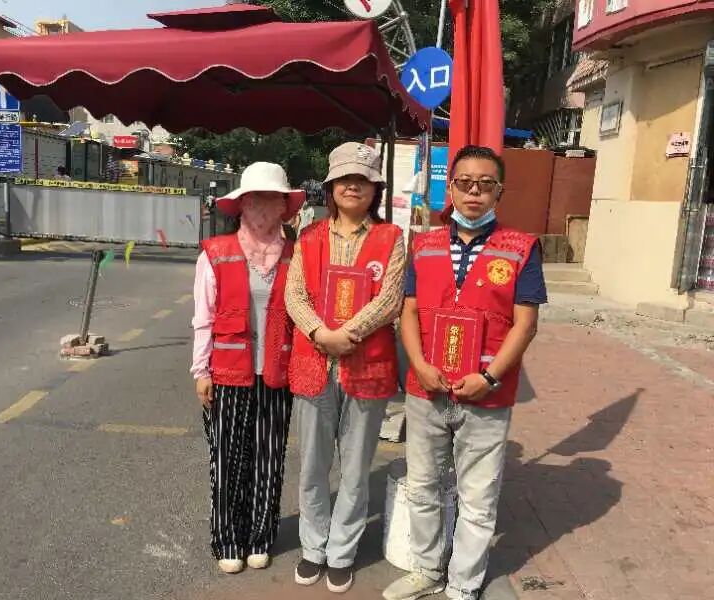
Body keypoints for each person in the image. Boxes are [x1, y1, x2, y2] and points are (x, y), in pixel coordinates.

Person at [383, 145, 547, 600]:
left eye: (485, 184)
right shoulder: (424, 245)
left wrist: (489, 377)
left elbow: (526, 324)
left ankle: (464, 582)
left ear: (499, 192)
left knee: (478, 496)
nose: (474, 192)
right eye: (465, 183)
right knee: (423, 485)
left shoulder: (521, 249)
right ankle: (427, 569)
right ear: (450, 188)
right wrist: (419, 365)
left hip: (487, 395)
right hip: (426, 389)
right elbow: (408, 312)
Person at [285, 142, 406, 594]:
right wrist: (321, 333)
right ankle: (313, 547)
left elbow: (390, 299)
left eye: (362, 179)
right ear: (331, 186)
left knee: (355, 469)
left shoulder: (391, 238)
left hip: (366, 365)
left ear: (375, 189)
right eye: (344, 179)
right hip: (314, 363)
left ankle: (341, 552)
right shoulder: (310, 236)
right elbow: (295, 294)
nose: (353, 186)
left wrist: (346, 335)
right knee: (313, 466)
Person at [191, 162, 305, 575]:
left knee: (269, 457)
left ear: (283, 208)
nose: (262, 207)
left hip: (277, 371)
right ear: (240, 205)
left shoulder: (295, 255)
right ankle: (227, 538)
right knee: (227, 459)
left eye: (271, 199)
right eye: (254, 199)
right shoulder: (216, 253)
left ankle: (260, 536)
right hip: (228, 371)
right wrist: (200, 371)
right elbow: (203, 316)